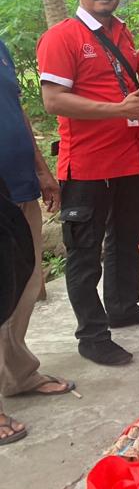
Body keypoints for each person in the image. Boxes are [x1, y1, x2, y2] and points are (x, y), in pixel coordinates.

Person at [37, 0, 139, 366]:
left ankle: (123, 307)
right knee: (84, 253)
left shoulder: (122, 33)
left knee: (126, 238)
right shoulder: (62, 37)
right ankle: (92, 335)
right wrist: (118, 109)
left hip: (128, 160)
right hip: (87, 165)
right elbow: (53, 100)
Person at [0, 36, 74, 445]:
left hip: (19, 185)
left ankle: (17, 374)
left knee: (23, 286)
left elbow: (17, 112)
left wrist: (42, 170)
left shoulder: (2, 48)